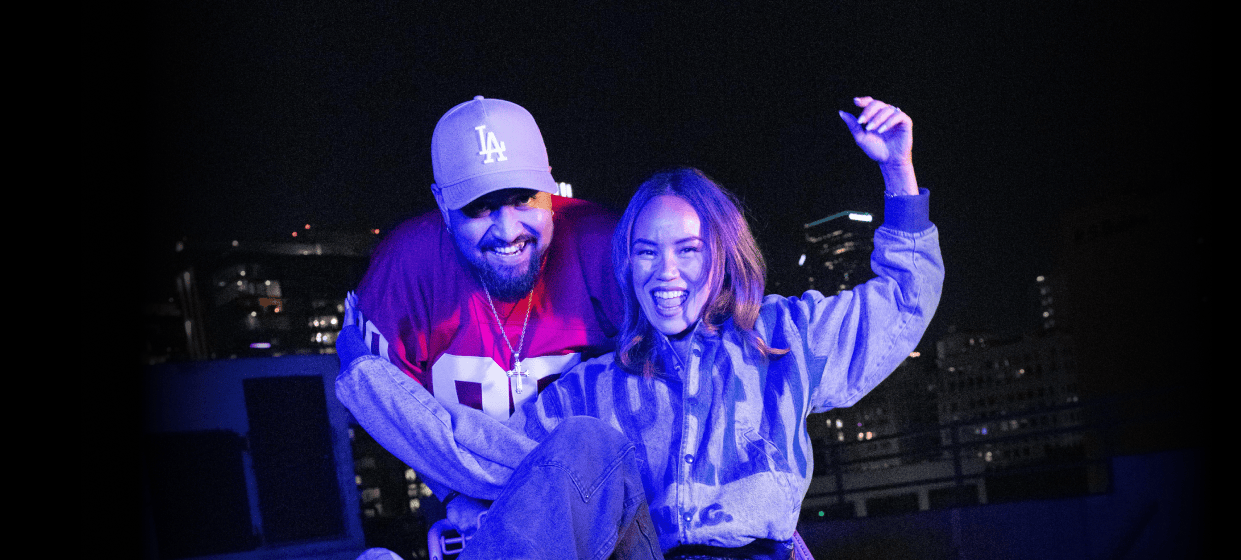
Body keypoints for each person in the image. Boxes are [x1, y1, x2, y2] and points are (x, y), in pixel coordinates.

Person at [343, 96, 943, 560]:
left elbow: (903, 301)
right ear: (626, 266)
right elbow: (491, 456)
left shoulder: (783, 336)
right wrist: (369, 378)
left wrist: (899, 172)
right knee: (579, 443)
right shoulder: (594, 387)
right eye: (647, 253)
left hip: (757, 551)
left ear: (722, 255)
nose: (667, 273)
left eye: (688, 250)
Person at [336, 96, 626, 536]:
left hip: (596, 495)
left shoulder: (601, 241)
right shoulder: (406, 267)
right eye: (479, 206)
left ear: (548, 184)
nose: (508, 231)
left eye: (524, 198)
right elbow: (395, 414)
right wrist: (454, 497)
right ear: (442, 205)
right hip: (466, 502)